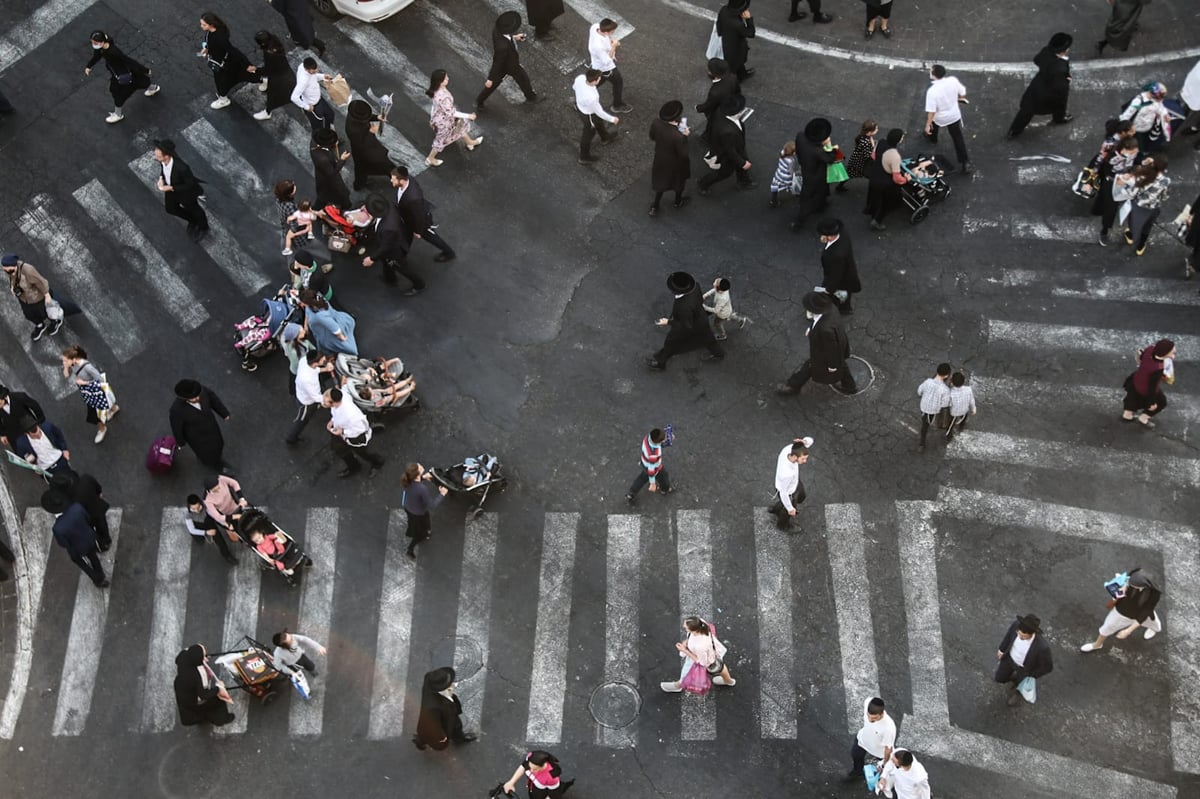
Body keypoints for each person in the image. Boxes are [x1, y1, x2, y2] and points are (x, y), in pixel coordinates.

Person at [776, 291, 857, 396]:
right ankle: (849, 386)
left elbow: (832, 349)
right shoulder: (832, 308)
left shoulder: (824, 329)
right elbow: (819, 323)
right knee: (841, 363)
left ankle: (793, 386)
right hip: (840, 344)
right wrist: (811, 329)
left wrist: (832, 366)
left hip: (823, 353)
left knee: (811, 366)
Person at [646, 271, 724, 370]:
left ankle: (660, 363)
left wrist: (668, 322)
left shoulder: (684, 307)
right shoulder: (696, 286)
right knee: (708, 339)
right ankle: (719, 354)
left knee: (671, 343)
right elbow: (699, 300)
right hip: (701, 319)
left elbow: (686, 326)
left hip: (690, 325)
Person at [84, 30, 160, 124]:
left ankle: (118, 115)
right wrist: (89, 66)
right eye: (92, 42)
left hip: (123, 75)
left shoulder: (113, 52)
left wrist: (145, 70)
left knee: (118, 94)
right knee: (140, 82)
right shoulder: (101, 49)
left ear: (103, 42)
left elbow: (128, 60)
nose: (93, 44)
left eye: (95, 43)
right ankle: (153, 88)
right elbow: (97, 56)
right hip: (126, 73)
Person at [1007, 33, 1074, 138]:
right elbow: (1061, 90)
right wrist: (1067, 80)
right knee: (1059, 106)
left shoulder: (1046, 51)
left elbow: (1036, 59)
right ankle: (1059, 119)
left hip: (1037, 87)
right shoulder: (1060, 67)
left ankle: (1014, 131)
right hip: (1050, 94)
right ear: (1064, 50)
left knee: (1026, 110)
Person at [1081, 567, 1162, 652]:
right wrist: (1123, 587)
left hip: (1141, 614)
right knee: (1107, 627)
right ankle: (1097, 645)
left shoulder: (1154, 593)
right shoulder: (1131, 578)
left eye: (1133, 585)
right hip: (1122, 612)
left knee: (1155, 625)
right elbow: (1125, 579)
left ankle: (1154, 629)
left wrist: (1128, 631)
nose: (1130, 585)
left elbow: (1146, 611)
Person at [42, 488, 108, 587]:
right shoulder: (77, 508)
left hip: (78, 548)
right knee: (93, 557)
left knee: (82, 564)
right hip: (90, 538)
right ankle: (100, 574)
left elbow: (63, 543)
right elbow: (89, 520)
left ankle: (97, 578)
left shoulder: (58, 528)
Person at [2, 252, 77, 340]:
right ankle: (40, 325)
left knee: (48, 313)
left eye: (10, 271)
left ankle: (55, 322)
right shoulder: (10, 271)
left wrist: (47, 295)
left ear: (15, 265)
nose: (9, 273)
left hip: (38, 299)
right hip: (25, 300)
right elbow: (12, 279)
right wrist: (12, 287)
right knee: (29, 315)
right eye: (6, 271)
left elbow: (42, 282)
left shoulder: (28, 271)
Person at [362, 195, 425, 294]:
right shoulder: (389, 206)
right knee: (386, 263)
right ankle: (390, 279)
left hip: (395, 252)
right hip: (398, 239)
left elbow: (386, 246)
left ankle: (419, 285)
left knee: (403, 268)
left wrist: (372, 258)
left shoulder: (388, 228)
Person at [476, 11, 539, 110]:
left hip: (505, 64)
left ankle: (480, 100)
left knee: (494, 84)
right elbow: (497, 62)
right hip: (510, 65)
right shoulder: (503, 47)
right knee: (523, 79)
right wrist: (490, 78)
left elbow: (506, 39)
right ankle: (531, 97)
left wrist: (515, 38)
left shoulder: (496, 30)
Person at [392, 167, 457, 262]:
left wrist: (418, 231)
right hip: (409, 218)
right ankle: (401, 255)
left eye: (393, 179)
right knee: (406, 237)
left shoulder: (413, 198)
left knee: (431, 237)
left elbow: (419, 217)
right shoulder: (407, 180)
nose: (391, 180)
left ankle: (449, 252)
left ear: (401, 180)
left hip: (419, 222)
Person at [153, 139, 209, 242]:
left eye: (158, 156)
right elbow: (163, 170)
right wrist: (161, 178)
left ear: (167, 156)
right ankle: (192, 220)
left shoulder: (182, 168)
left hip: (185, 193)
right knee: (170, 208)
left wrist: (170, 188)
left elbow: (190, 184)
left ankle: (204, 227)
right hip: (171, 189)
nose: (155, 158)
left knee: (196, 210)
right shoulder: (163, 161)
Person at [169, 379, 232, 471]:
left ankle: (216, 459)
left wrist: (224, 413)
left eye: (197, 396)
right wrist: (181, 442)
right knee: (207, 454)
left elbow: (214, 399)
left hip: (212, 427)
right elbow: (176, 427)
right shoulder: (176, 410)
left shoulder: (202, 391)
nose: (197, 399)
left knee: (218, 444)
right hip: (197, 438)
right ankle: (217, 466)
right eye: (193, 398)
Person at [198, 12, 257, 110]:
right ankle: (261, 80)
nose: (201, 26)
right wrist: (206, 48)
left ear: (211, 25)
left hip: (223, 63)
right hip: (223, 61)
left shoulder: (220, 38)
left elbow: (233, 51)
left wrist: (247, 64)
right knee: (241, 75)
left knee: (221, 81)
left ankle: (223, 99)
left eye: (203, 24)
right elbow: (208, 40)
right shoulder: (212, 32)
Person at [61, 345, 118, 444]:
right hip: (88, 391)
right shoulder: (73, 365)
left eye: (65, 361)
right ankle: (113, 409)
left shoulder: (87, 367)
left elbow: (100, 380)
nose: (64, 363)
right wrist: (66, 367)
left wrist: (84, 383)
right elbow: (66, 375)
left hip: (93, 391)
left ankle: (102, 429)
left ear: (73, 359)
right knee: (105, 403)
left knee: (94, 414)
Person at [660, 616, 735, 691]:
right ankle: (729, 681)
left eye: (686, 627)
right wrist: (686, 642)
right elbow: (692, 636)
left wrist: (684, 650)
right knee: (720, 666)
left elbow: (702, 663)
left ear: (694, 630)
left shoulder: (700, 646)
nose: (683, 626)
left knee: (686, 674)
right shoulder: (700, 623)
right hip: (713, 652)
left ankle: (678, 686)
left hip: (698, 656)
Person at [698, 94, 754, 195]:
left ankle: (743, 181)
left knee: (742, 164)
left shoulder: (721, 112)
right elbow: (730, 151)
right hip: (728, 154)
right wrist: (742, 163)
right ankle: (703, 183)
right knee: (724, 173)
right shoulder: (728, 131)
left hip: (737, 147)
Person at [324, 387, 385, 478]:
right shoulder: (341, 396)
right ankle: (354, 466)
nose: (323, 403)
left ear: (334, 402)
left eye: (325, 402)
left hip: (355, 436)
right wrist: (333, 420)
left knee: (364, 453)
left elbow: (359, 429)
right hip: (340, 430)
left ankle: (378, 462)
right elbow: (336, 412)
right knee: (339, 449)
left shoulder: (350, 415)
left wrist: (343, 431)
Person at [995, 614, 1053, 707]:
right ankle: (1013, 677)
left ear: (1032, 634)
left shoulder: (1042, 647)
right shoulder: (1016, 625)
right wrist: (1001, 649)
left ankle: (1018, 693)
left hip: (1025, 668)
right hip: (1009, 659)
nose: (1020, 637)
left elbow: (1048, 667)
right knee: (999, 678)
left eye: (1023, 637)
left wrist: (1032, 674)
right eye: (1019, 633)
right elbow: (1008, 637)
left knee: (1022, 682)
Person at [425, 70, 481, 167]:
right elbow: (452, 113)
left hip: (441, 118)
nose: (448, 79)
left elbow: (434, 106)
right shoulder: (443, 97)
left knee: (461, 127)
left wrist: (432, 118)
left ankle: (470, 142)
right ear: (440, 81)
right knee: (440, 141)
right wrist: (469, 116)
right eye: (446, 78)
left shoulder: (436, 90)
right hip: (444, 123)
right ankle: (430, 158)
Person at [789, 118, 836, 230]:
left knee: (811, 195)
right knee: (809, 197)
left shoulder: (800, 136)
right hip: (816, 176)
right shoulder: (818, 151)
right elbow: (830, 159)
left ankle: (821, 205)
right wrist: (830, 145)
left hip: (807, 170)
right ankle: (799, 221)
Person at [924, 65, 972, 174]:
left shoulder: (932, 91)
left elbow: (932, 111)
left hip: (940, 117)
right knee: (957, 137)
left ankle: (933, 139)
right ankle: (965, 162)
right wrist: (957, 99)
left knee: (933, 127)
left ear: (933, 75)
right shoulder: (953, 81)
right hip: (954, 115)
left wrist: (927, 124)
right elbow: (963, 92)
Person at [1118, 157, 1170, 256]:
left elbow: (1133, 193)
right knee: (1147, 226)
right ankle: (1141, 246)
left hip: (1138, 206)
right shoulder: (1165, 181)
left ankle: (1131, 236)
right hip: (1153, 208)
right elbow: (1164, 197)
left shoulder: (1142, 176)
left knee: (1134, 223)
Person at [173, 644, 235, 727]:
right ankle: (221, 719)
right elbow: (203, 695)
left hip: (181, 689)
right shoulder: (195, 676)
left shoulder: (184, 656)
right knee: (218, 701)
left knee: (192, 709)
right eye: (204, 657)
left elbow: (181, 657)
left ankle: (200, 717)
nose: (206, 659)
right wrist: (218, 689)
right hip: (193, 699)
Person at [414, 667, 476, 748]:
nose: (453, 685)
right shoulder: (433, 708)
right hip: (445, 718)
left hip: (446, 712)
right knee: (454, 726)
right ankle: (458, 739)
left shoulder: (429, 680)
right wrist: (443, 740)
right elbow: (432, 728)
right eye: (448, 684)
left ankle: (421, 741)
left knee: (455, 725)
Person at [648, 101, 692, 216]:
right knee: (679, 183)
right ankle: (678, 201)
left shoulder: (656, 123)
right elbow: (684, 154)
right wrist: (685, 136)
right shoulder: (678, 136)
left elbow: (652, 136)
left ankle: (655, 205)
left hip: (660, 159)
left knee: (661, 183)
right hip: (675, 164)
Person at [50, 471, 111, 552]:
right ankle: (107, 540)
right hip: (98, 507)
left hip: (89, 517)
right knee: (102, 524)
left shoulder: (70, 502)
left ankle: (102, 544)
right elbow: (98, 489)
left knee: (95, 531)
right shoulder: (86, 479)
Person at [1122, 338, 1174, 427]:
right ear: (1164, 354)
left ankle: (1127, 415)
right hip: (1144, 388)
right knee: (1161, 402)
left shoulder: (1150, 349)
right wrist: (1152, 402)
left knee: (1132, 397)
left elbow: (1141, 357)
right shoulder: (1158, 368)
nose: (1173, 355)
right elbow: (1152, 387)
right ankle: (1143, 417)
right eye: (1172, 353)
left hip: (1136, 379)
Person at [344, 100, 395, 190]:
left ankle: (359, 185)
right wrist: (371, 133)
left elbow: (365, 117)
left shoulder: (353, 115)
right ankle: (394, 176)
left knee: (361, 168)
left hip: (364, 148)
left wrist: (377, 117)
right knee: (382, 164)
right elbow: (360, 144)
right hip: (364, 150)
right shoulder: (352, 130)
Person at [400, 462, 448, 559]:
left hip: (409, 508)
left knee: (424, 523)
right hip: (418, 514)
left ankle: (426, 532)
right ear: (417, 474)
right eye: (420, 467)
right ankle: (410, 548)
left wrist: (423, 478)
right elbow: (432, 505)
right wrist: (442, 494)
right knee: (419, 534)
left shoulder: (408, 481)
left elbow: (415, 485)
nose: (421, 465)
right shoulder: (422, 489)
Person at [574, 69, 620, 165]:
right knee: (588, 134)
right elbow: (599, 112)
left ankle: (605, 137)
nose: (600, 80)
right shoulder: (592, 98)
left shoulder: (580, 78)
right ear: (594, 81)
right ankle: (584, 156)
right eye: (599, 79)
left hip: (581, 107)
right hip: (588, 114)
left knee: (598, 121)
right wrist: (612, 119)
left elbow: (574, 87)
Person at [816, 218, 861, 315]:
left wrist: (829, 289)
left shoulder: (836, 255)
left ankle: (839, 310)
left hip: (841, 279)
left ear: (830, 236)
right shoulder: (843, 234)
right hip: (848, 274)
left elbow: (836, 275)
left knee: (837, 295)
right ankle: (846, 309)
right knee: (846, 293)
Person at [846, 697, 897, 781]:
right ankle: (858, 771)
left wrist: (884, 764)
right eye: (868, 716)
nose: (870, 720)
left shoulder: (889, 728)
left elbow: (888, 749)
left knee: (889, 772)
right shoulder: (868, 702)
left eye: (874, 718)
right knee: (855, 755)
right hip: (862, 741)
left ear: (881, 714)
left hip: (879, 752)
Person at [865, 128, 905, 231]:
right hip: (885, 182)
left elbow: (873, 155)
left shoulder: (881, 142)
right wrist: (906, 179)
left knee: (875, 197)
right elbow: (896, 178)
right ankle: (877, 221)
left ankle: (872, 210)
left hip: (875, 174)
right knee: (888, 202)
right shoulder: (895, 156)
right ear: (899, 140)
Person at [288, 350, 331, 444]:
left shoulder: (304, 360)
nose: (324, 359)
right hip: (306, 403)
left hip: (304, 393)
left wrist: (326, 369)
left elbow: (315, 370)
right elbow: (315, 397)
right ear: (315, 363)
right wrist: (328, 400)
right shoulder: (307, 380)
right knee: (302, 421)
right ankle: (291, 438)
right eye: (322, 360)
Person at [588, 18, 631, 113]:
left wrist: (611, 40)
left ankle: (579, 99)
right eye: (612, 32)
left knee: (593, 84)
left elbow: (606, 36)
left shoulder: (595, 27)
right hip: (605, 68)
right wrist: (614, 46)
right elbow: (607, 61)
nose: (614, 33)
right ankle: (617, 105)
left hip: (597, 65)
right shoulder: (598, 46)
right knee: (618, 82)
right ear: (606, 32)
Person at [251, 30, 296, 121]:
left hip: (279, 80)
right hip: (286, 73)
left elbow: (268, 70)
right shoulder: (274, 42)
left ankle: (267, 112)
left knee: (273, 97)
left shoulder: (269, 54)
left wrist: (255, 69)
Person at [769, 437, 812, 531]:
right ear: (795, 457)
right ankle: (783, 525)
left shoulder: (788, 449)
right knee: (788, 510)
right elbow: (783, 493)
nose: (805, 461)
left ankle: (776, 509)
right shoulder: (787, 474)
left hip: (794, 482)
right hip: (788, 491)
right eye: (803, 459)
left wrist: (804, 442)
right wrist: (790, 509)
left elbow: (810, 441)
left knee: (801, 496)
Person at [184, 493, 238, 564]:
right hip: (198, 526)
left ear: (200, 503)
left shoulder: (207, 506)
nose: (197, 510)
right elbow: (192, 530)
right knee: (198, 539)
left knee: (220, 541)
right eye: (193, 509)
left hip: (209, 524)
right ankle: (200, 540)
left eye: (198, 507)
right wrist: (205, 532)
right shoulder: (188, 515)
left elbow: (217, 517)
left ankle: (227, 555)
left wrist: (226, 524)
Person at [1120, 82, 1174, 152]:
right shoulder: (1138, 101)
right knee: (1134, 145)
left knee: (1144, 142)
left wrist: (1167, 135)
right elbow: (1127, 115)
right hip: (1136, 129)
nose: (1161, 100)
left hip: (1148, 128)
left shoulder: (1157, 102)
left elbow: (1162, 111)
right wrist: (1121, 129)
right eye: (1160, 97)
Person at [301, 290, 358, 355]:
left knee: (337, 345)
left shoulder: (321, 316)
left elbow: (335, 329)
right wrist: (306, 325)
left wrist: (341, 337)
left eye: (303, 302)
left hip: (326, 332)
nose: (302, 304)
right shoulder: (318, 300)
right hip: (331, 321)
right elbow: (307, 312)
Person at [696, 58, 740, 143]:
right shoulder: (733, 77)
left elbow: (709, 105)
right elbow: (737, 91)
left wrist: (698, 108)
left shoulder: (715, 92)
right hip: (730, 106)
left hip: (718, 113)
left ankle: (707, 138)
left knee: (712, 125)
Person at [626, 427, 672, 505]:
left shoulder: (648, 438)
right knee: (664, 476)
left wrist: (668, 438)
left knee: (641, 479)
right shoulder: (654, 453)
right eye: (664, 439)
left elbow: (658, 441)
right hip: (655, 467)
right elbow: (651, 469)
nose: (665, 439)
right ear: (658, 442)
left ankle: (631, 493)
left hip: (644, 462)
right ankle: (665, 489)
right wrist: (652, 483)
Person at [499, 751, 573, 798]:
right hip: (533, 788)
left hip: (543, 792)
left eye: (534, 769)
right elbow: (524, 766)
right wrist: (511, 782)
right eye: (530, 767)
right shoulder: (531, 759)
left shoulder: (552, 776)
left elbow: (553, 793)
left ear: (543, 766)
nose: (530, 770)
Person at [310, 127, 352, 210]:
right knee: (340, 195)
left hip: (322, 175)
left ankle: (317, 208)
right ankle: (346, 206)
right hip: (328, 178)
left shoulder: (314, 142)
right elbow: (332, 174)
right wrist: (342, 160)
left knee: (323, 195)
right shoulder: (323, 159)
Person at [292, 57, 335, 133]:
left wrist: (323, 76)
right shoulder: (303, 81)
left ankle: (328, 133)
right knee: (318, 128)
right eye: (314, 71)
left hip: (319, 99)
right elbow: (294, 97)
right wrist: (306, 107)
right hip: (313, 106)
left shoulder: (303, 66)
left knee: (330, 114)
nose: (317, 71)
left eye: (316, 69)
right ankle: (322, 142)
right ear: (307, 70)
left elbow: (314, 76)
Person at [915, 363, 952, 452]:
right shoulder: (945, 390)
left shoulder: (927, 381)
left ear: (937, 371)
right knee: (948, 418)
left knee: (924, 426)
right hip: (935, 412)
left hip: (924, 409)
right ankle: (948, 435)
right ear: (947, 375)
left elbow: (919, 392)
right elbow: (945, 405)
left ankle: (921, 444)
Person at [716, 1, 756, 82]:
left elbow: (719, 25)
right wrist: (749, 19)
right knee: (734, 67)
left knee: (737, 64)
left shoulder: (723, 10)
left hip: (727, 44)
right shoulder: (737, 24)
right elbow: (751, 33)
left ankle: (742, 74)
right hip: (737, 49)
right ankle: (735, 82)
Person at [0, 385, 45, 449]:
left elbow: (35, 407)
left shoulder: (19, 397)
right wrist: (2, 434)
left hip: (30, 432)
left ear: (3, 396)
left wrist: (39, 424)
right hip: (14, 438)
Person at [946, 371, 976, 439]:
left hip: (953, 413)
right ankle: (961, 427)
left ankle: (949, 436)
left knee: (950, 425)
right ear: (964, 381)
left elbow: (948, 404)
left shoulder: (950, 393)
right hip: (964, 410)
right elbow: (971, 399)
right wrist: (973, 408)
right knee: (963, 418)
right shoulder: (968, 389)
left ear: (952, 382)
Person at [769, 141, 799, 207]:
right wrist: (795, 174)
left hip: (779, 174)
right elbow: (790, 171)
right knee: (793, 183)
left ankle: (773, 201)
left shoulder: (782, 153)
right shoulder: (791, 161)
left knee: (775, 186)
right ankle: (797, 193)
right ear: (793, 153)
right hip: (786, 177)